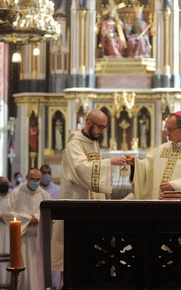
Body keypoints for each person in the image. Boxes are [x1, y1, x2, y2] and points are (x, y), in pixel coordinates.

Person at [51, 109, 127, 273]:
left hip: (93, 210)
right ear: (88, 123)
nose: (102, 131)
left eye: (105, 127)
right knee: (76, 261)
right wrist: (109, 163)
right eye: (100, 127)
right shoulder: (74, 145)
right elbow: (81, 170)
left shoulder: (93, 143)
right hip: (76, 209)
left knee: (94, 261)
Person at [125, 111, 181, 200]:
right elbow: (146, 167)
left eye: (170, 129)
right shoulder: (162, 149)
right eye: (166, 128)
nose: (167, 133)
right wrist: (135, 164)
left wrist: (174, 186)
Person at [3, 168, 51, 289]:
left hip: (38, 240)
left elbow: (51, 216)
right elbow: (7, 214)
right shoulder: (16, 193)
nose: (35, 182)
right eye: (32, 179)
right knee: (23, 274)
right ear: (26, 178)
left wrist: (38, 218)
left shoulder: (44, 195)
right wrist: (27, 219)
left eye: (38, 179)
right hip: (22, 239)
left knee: (37, 271)